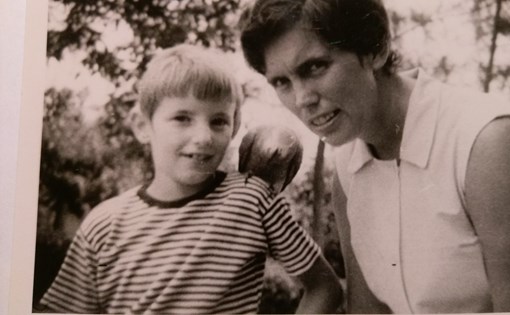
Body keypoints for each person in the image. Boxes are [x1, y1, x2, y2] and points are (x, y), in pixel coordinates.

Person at [238, 0, 510, 313]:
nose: (302, 99)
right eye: (282, 82)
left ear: (375, 49)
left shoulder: (491, 143)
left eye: (314, 67)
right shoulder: (349, 169)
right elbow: (368, 311)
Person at [36, 44, 342, 314]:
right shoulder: (103, 224)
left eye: (219, 121)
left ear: (235, 128)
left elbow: (325, 288)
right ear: (142, 125)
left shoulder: (252, 198)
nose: (204, 137)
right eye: (182, 118)